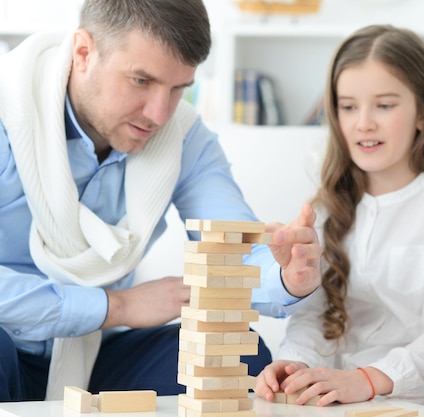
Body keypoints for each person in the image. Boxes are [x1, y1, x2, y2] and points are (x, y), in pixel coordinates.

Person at [0, 0, 322, 402]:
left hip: (90, 351)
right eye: (141, 81)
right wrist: (115, 306)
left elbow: (234, 251)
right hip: (13, 343)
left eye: (178, 89)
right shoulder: (7, 107)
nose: (159, 113)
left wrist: (284, 275)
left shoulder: (184, 137)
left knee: (243, 358)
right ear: (83, 53)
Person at [254, 24, 424, 407]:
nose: (363, 122)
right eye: (348, 106)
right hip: (340, 401)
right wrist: (295, 362)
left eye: (384, 105)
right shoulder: (323, 208)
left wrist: (367, 379)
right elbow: (314, 319)